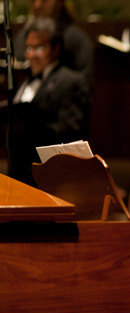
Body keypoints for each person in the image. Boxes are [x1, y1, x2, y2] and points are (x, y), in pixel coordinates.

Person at [9, 17, 91, 186]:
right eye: (28, 48)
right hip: (20, 176)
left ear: (56, 48)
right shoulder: (25, 82)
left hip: (51, 179)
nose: (32, 55)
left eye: (39, 48)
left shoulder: (71, 81)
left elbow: (71, 131)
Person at [13, 0, 94, 85]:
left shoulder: (76, 40)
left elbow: (83, 86)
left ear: (59, 2)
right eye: (33, 0)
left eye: (44, 0)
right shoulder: (21, 37)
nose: (37, 5)